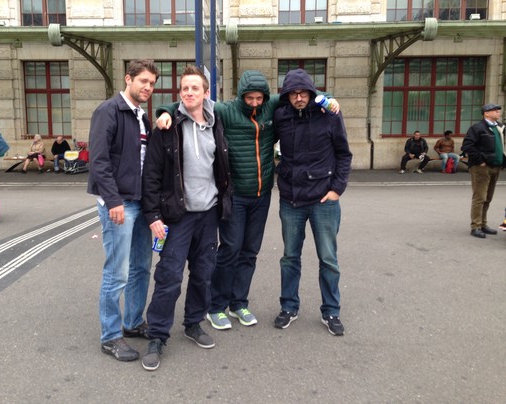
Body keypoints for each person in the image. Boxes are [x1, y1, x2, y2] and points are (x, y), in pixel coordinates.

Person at [155, 71, 340, 331]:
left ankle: (239, 303)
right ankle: (216, 306)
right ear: (241, 95)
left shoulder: (271, 105)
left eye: (259, 98)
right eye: (249, 98)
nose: (255, 103)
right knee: (229, 250)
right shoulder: (226, 110)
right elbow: (191, 101)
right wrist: (164, 111)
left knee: (249, 252)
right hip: (235, 195)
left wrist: (327, 98)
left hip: (261, 196)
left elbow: (301, 92)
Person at [141, 65, 232, 371]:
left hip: (208, 214)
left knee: (204, 273)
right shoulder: (167, 126)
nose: (189, 93)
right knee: (168, 277)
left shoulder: (216, 123)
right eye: (184, 89)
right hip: (176, 216)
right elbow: (151, 174)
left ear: (206, 93)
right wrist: (152, 214)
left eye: (195, 88)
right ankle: (157, 336)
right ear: (179, 93)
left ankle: (193, 323)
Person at [87, 59, 159, 362]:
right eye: (143, 81)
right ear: (128, 79)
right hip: (119, 204)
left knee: (142, 267)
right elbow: (99, 161)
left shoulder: (141, 116)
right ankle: (110, 336)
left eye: (152, 83)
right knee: (117, 272)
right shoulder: (109, 111)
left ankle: (132, 322)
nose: (148, 87)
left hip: (141, 203)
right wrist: (113, 201)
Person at [273, 68, 352, 336]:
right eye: (293, 93)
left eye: (303, 92)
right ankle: (289, 307)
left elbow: (344, 153)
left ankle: (331, 310)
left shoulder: (329, 114)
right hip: (291, 198)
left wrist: (337, 189)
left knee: (328, 258)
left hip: (323, 199)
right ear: (286, 95)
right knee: (289, 258)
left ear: (311, 92)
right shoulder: (280, 115)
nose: (298, 97)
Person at [461, 103, 505, 239]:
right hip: (481, 167)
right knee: (479, 197)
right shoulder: (477, 128)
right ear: (486, 113)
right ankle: (476, 226)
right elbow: (467, 146)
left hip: (495, 166)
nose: (498, 112)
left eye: (498, 110)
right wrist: (480, 161)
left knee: (488, 197)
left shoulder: (499, 127)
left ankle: (483, 224)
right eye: (494, 110)